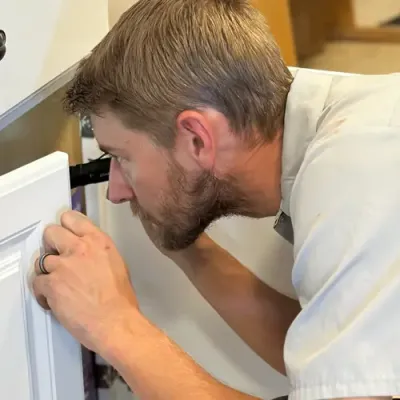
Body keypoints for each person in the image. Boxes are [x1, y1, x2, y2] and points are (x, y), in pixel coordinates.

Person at [32, 0, 400, 399]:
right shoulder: (348, 128)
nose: (116, 190)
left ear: (197, 137)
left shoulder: (352, 173)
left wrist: (115, 325)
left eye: (121, 157)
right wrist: (189, 250)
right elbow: (331, 359)